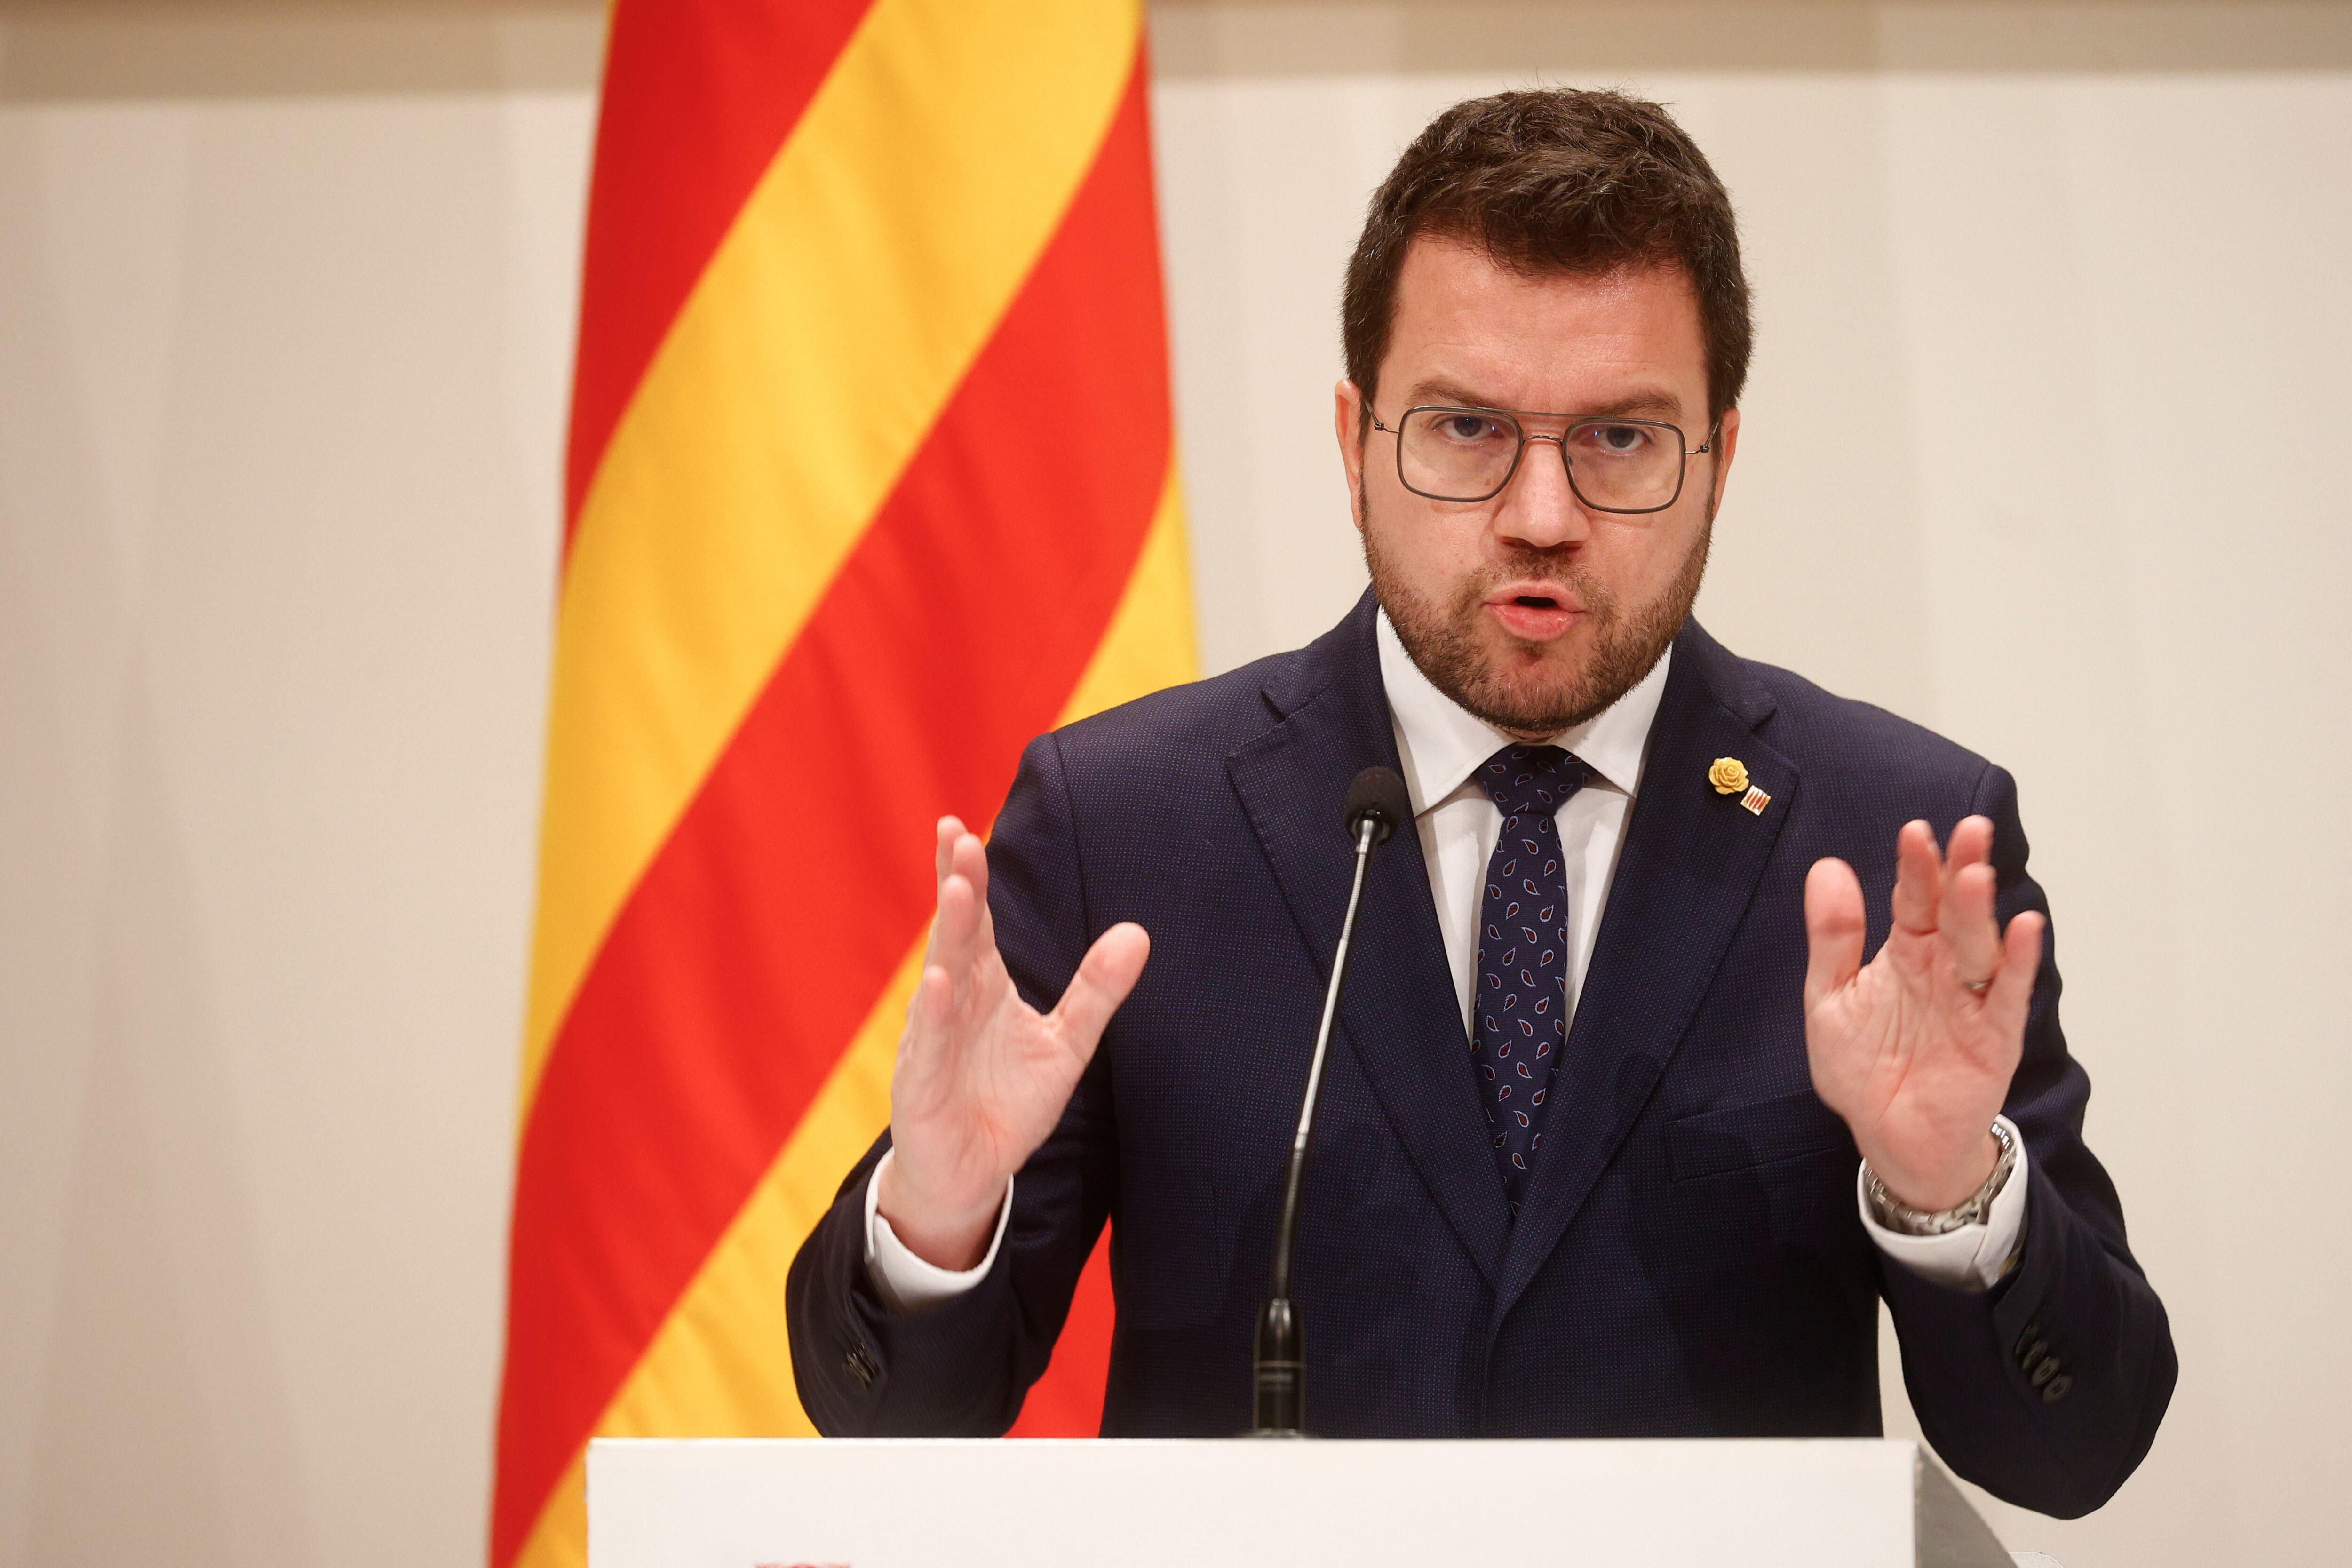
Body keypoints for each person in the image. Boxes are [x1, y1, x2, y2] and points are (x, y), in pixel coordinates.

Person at [786, 88, 2173, 1514]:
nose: (1541, 514)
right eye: (1464, 429)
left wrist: (1951, 1196)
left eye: (1623, 440)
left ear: (1720, 461)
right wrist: (938, 1218)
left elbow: (2075, 1453)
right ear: (1355, 441)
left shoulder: (1901, 845)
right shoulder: (1127, 822)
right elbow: (896, 1430)